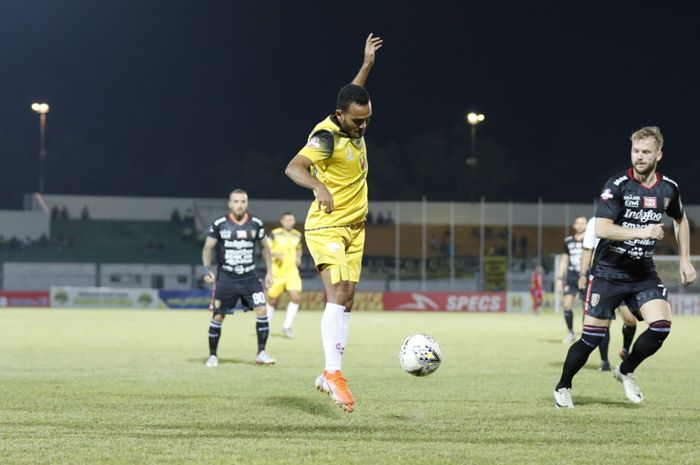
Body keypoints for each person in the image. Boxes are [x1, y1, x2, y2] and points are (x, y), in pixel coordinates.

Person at [554, 126, 695, 408]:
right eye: (636, 151)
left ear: (659, 155)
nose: (639, 157)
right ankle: (563, 386)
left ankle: (626, 369)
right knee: (590, 340)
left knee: (661, 327)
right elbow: (603, 228)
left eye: (646, 152)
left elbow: (681, 219)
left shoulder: (669, 188)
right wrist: (642, 232)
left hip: (642, 272)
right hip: (607, 273)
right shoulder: (616, 185)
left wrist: (685, 259)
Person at [284, 33, 383, 413]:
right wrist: (319, 186)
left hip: (355, 228)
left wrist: (367, 65)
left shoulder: (351, 113)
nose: (363, 127)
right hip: (327, 226)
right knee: (337, 293)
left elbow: (355, 93)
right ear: (341, 116)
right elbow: (294, 167)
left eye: (368, 120)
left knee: (348, 301)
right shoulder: (326, 136)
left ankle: (327, 372)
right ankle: (333, 373)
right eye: (358, 122)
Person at [201, 189, 276, 367]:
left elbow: (265, 248)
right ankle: (213, 356)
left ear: (247, 203)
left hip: (250, 278)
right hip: (226, 278)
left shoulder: (256, 223)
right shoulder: (220, 224)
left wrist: (270, 271)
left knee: (262, 311)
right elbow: (207, 248)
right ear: (230, 204)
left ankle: (261, 353)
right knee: (218, 316)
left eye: (243, 201)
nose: (239, 205)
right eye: (236, 201)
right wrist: (207, 270)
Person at [578, 217, 638, 372]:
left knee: (630, 319)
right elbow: (587, 249)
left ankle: (625, 349)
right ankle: (604, 361)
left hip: (626, 276)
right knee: (604, 322)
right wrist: (583, 274)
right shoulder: (595, 222)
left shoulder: (631, 216)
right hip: (603, 277)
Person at [265, 212, 304, 338]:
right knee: (272, 300)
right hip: (277, 272)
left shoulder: (297, 235)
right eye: (286, 220)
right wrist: (276, 255)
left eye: (291, 220)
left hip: (291, 271)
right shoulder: (274, 233)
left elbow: (299, 248)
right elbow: (266, 250)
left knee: (296, 296)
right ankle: (266, 327)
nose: (288, 222)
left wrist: (298, 257)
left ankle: (287, 326)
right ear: (282, 221)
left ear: (293, 221)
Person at [556, 216, 587, 343]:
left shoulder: (590, 241)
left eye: (583, 223)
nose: (580, 225)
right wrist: (559, 278)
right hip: (571, 277)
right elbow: (564, 260)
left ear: (586, 225)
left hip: (585, 277)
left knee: (586, 308)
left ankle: (586, 334)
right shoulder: (568, 241)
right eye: (578, 223)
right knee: (567, 305)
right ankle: (570, 332)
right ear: (574, 226)